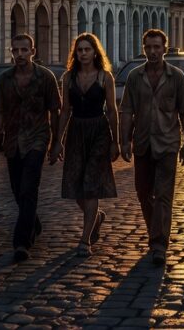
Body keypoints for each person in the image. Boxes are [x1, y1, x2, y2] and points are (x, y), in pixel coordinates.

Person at [119, 29, 184, 266]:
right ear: (144, 49)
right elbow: (127, 110)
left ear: (164, 48)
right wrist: (124, 140)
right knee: (143, 193)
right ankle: (156, 232)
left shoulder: (177, 77)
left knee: (163, 195)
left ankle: (159, 244)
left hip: (168, 143)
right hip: (142, 143)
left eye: (157, 47)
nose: (152, 52)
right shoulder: (134, 76)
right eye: (148, 47)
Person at [0, 34, 62, 263]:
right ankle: (33, 222)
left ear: (33, 51)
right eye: (15, 50)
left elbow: (55, 111)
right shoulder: (4, 80)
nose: (19, 55)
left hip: (37, 139)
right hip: (12, 142)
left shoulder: (46, 78)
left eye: (24, 50)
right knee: (17, 189)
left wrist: (57, 142)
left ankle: (21, 243)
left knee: (29, 187)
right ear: (11, 52)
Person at [54, 33, 119, 257]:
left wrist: (115, 141)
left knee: (91, 183)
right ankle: (97, 216)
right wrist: (58, 141)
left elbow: (112, 111)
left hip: (99, 131)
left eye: (87, 49)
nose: (83, 53)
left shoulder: (105, 77)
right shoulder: (68, 78)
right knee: (75, 185)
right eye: (79, 50)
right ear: (75, 53)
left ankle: (85, 239)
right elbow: (64, 111)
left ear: (95, 52)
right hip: (76, 130)